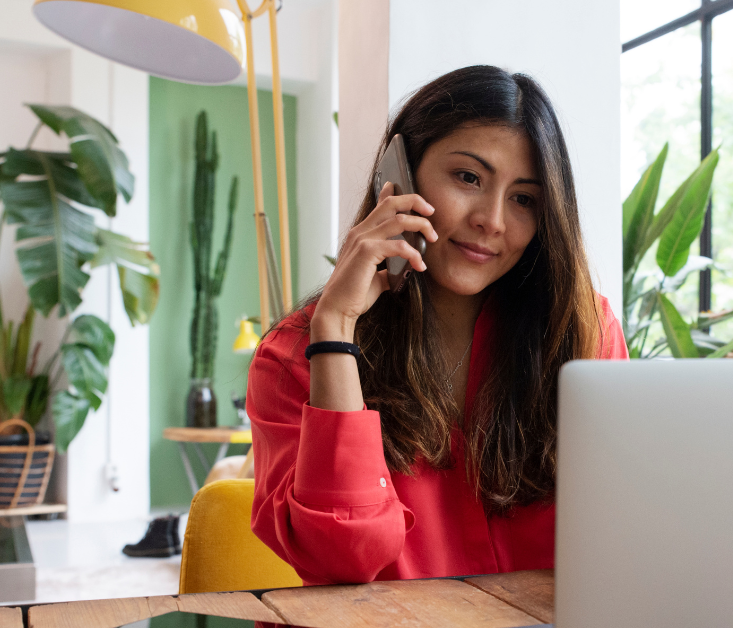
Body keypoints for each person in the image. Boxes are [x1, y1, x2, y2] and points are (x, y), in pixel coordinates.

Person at [247, 65, 627, 586]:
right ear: (399, 175)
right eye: (468, 177)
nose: (492, 220)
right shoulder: (294, 355)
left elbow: (625, 536)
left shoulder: (582, 331)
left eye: (524, 199)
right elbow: (342, 557)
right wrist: (336, 328)